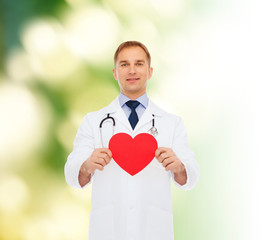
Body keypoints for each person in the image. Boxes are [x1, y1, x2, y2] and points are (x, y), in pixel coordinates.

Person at [65, 41, 200, 240]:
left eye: (139, 64)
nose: (132, 70)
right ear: (114, 72)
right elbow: (71, 174)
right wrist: (86, 166)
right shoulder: (93, 121)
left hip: (154, 231)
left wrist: (179, 167)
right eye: (124, 64)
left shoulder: (172, 123)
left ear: (150, 71)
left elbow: (191, 177)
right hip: (108, 230)